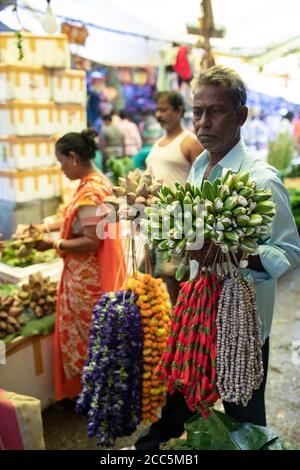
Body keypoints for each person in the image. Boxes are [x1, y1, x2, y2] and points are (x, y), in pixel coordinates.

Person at [132, 65, 300, 450]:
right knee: (183, 381)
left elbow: (289, 251)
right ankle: (161, 436)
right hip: (196, 309)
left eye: (216, 111)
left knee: (244, 413)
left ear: (240, 115)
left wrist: (236, 253)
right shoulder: (198, 166)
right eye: (198, 112)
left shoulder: (261, 179)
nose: (203, 122)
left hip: (240, 321)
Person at [18, 130, 126, 401]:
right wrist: (44, 226)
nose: (61, 168)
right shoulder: (98, 182)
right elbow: (76, 220)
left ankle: (89, 392)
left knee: (87, 337)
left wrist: (53, 245)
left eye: (61, 161)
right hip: (90, 277)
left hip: (85, 283)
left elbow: (91, 241)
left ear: (74, 157)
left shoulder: (90, 193)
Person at [146, 91, 203, 305]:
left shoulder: (190, 142)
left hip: (182, 218)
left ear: (179, 111)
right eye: (157, 109)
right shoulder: (157, 143)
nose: (159, 114)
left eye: (164, 109)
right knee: (166, 275)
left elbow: (203, 179)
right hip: (159, 218)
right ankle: (178, 320)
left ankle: (187, 321)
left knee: (182, 275)